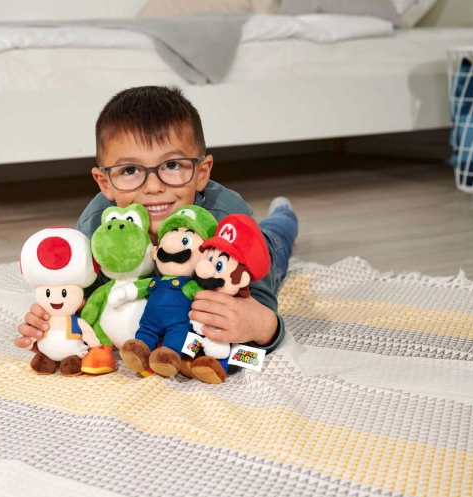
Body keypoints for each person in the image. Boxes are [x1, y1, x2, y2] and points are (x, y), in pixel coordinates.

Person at [16, 85, 298, 361]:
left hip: (262, 245)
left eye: (172, 165)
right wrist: (54, 327)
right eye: (130, 170)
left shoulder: (228, 219)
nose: (153, 187)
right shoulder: (99, 225)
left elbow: (260, 310)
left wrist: (262, 325)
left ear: (202, 172)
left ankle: (283, 214)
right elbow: (84, 299)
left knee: (278, 235)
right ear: (105, 183)